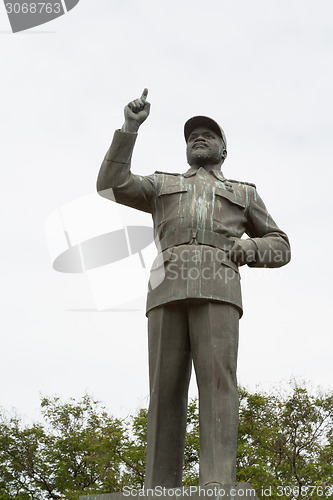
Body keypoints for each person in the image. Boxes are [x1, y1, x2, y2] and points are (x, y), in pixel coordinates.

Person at [97, 89, 291, 488]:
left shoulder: (243, 192)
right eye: (191, 136)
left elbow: (281, 245)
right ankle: (158, 484)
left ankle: (217, 483)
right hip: (166, 286)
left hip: (220, 286)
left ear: (223, 149)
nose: (198, 139)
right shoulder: (161, 184)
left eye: (208, 135)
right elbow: (110, 184)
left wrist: (250, 247)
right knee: (163, 388)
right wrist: (130, 128)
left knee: (218, 384)